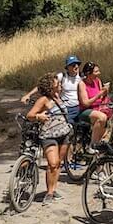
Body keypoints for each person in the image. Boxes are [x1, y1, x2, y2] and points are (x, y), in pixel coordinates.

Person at [26, 73, 71, 204]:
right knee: (52, 163)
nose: (60, 85)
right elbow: (30, 115)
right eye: (57, 84)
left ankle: (53, 189)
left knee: (58, 164)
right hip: (49, 135)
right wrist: (39, 116)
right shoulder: (43, 100)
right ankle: (49, 193)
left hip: (64, 133)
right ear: (51, 87)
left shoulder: (58, 97)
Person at [21, 56, 83, 124]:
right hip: (67, 109)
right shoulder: (61, 76)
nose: (76, 66)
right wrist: (28, 95)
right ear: (67, 67)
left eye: (77, 64)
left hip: (77, 107)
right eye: (73, 65)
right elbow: (43, 85)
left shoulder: (82, 77)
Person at [77, 62, 112, 151]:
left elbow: (101, 97)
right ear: (89, 73)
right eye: (96, 72)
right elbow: (85, 103)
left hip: (98, 108)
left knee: (107, 117)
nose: (98, 73)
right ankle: (92, 145)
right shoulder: (82, 84)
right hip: (86, 110)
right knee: (102, 117)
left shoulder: (97, 81)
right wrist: (98, 95)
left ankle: (99, 143)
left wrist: (105, 91)